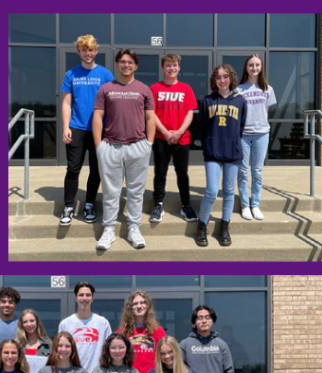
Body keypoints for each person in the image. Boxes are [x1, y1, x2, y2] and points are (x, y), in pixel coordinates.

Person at [94, 48, 156, 251]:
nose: (126, 65)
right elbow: (97, 117)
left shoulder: (144, 89)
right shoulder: (106, 88)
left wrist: (149, 144)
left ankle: (134, 228)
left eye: (130, 62)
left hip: (138, 147)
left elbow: (150, 118)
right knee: (111, 192)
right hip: (111, 146)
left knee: (136, 192)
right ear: (117, 64)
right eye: (122, 61)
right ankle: (109, 229)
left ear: (135, 65)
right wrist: (99, 146)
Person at [60, 35, 114, 225]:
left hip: (100, 130)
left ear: (95, 51)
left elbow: (112, 103)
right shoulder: (71, 75)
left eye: (91, 50)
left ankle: (89, 204)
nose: (88, 53)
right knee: (73, 169)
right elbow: (66, 103)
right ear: (79, 51)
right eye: (84, 50)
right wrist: (66, 127)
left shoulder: (106, 75)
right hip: (76, 127)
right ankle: (68, 207)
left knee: (96, 170)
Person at [196, 64, 248, 248]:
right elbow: (202, 127)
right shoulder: (207, 101)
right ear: (214, 80)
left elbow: (240, 128)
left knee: (228, 192)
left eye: (225, 76)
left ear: (231, 78)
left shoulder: (240, 101)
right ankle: (202, 225)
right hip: (213, 152)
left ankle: (224, 226)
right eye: (218, 77)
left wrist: (232, 142)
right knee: (211, 190)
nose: (222, 80)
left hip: (232, 153)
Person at [149, 53, 197, 223]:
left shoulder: (186, 89)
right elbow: (152, 113)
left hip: (182, 139)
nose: (172, 68)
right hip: (161, 138)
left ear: (179, 67)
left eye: (174, 65)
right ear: (163, 68)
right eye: (168, 65)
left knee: (182, 173)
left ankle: (186, 205)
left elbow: (190, 113)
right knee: (160, 173)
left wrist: (178, 132)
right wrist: (166, 132)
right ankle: (158, 204)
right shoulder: (155, 88)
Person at [236, 55, 276, 222]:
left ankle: (255, 205)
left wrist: (263, 125)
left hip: (261, 133)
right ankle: (245, 205)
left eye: (257, 65)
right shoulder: (238, 89)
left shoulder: (267, 89)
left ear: (261, 67)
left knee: (257, 172)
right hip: (243, 134)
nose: (254, 68)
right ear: (246, 67)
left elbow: (265, 111)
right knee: (244, 171)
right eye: (251, 65)